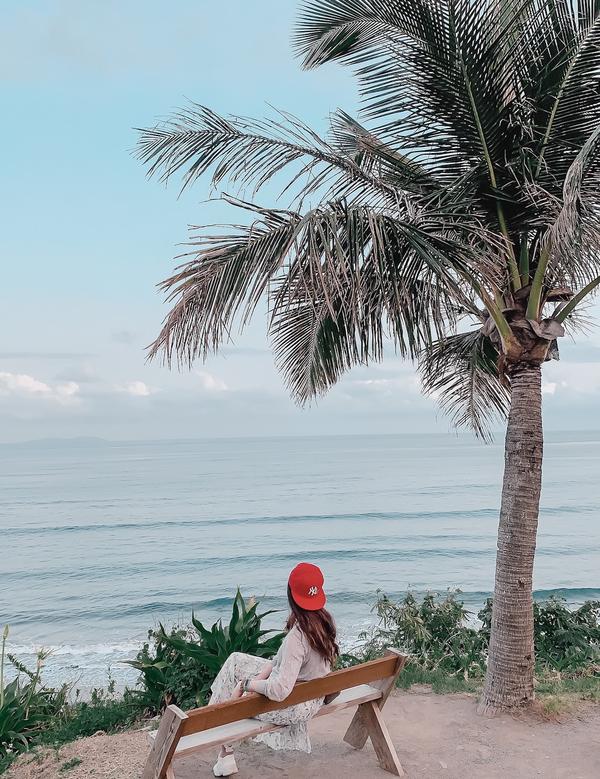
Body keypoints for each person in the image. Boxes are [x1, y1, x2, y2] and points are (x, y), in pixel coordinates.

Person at [210, 562, 338, 777]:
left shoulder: (298, 637)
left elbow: (280, 690)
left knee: (230, 693)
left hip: (293, 706)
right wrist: (260, 676)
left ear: (291, 595)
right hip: (312, 696)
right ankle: (225, 748)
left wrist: (247, 685)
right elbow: (280, 660)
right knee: (235, 661)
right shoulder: (323, 623)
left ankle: (220, 741)